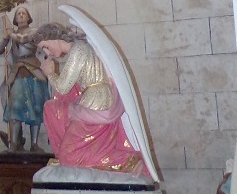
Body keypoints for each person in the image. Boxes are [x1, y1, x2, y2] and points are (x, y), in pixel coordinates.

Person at [33, 22, 150, 177]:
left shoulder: (78, 51)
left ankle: (128, 162)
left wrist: (50, 73)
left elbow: (63, 87)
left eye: (46, 46)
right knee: (53, 109)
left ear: (54, 38)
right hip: (93, 101)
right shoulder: (79, 49)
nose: (49, 52)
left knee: (69, 155)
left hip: (96, 104)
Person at [0, 5, 49, 152]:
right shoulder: (11, 33)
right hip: (18, 72)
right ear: (15, 18)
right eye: (18, 14)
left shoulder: (34, 31)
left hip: (33, 71)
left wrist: (10, 35)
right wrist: (5, 38)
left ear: (28, 17)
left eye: (24, 13)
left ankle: (34, 144)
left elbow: (24, 39)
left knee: (36, 108)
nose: (21, 15)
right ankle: (14, 143)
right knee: (15, 108)